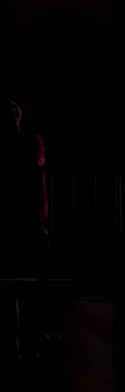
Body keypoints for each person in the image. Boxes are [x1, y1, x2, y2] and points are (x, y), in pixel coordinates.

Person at [2, 98, 48, 358]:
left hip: (8, 226)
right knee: (30, 287)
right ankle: (32, 344)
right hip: (28, 223)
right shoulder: (31, 143)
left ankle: (13, 347)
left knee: (9, 290)